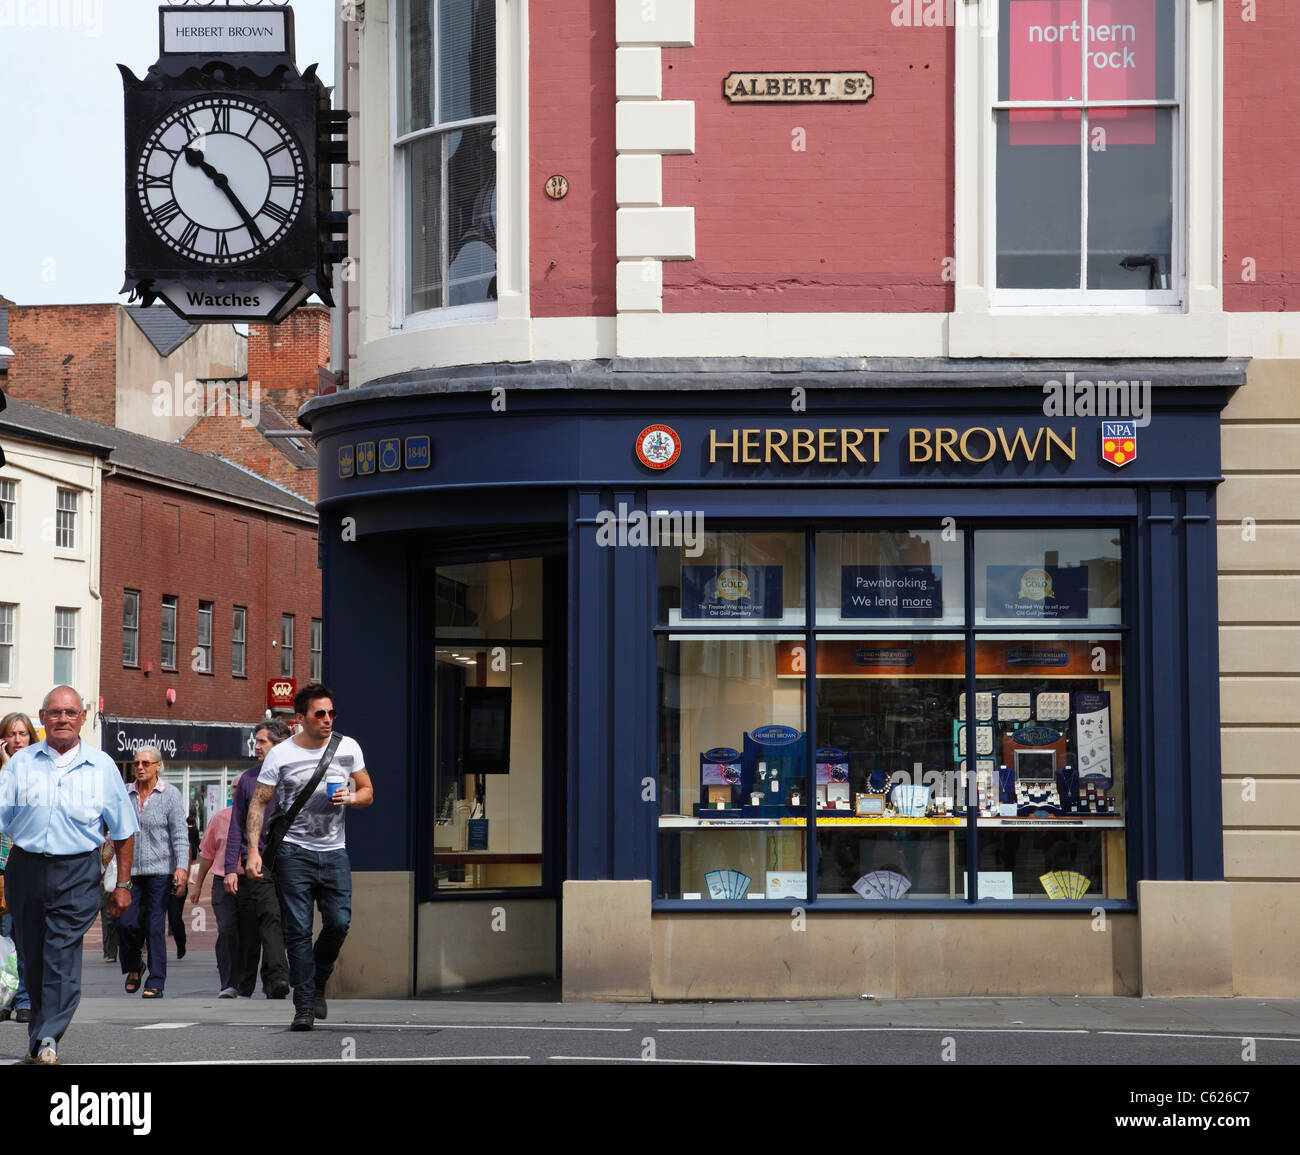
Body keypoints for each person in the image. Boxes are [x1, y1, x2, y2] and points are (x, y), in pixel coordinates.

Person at [0, 686, 136, 1064]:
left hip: (77, 870)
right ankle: (38, 1037)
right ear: (41, 719)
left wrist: (123, 884)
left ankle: (48, 1039)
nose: (63, 719)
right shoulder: (21, 764)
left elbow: (124, 832)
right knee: (32, 957)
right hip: (25, 869)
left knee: (60, 953)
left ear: (83, 716)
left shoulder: (103, 766)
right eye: (55, 713)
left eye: (70, 713)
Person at [246, 684, 372, 1031]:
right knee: (298, 931)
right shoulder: (280, 755)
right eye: (320, 714)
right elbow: (259, 802)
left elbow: (368, 791)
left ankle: (317, 979)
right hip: (293, 852)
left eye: (332, 713)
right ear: (300, 718)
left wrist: (351, 798)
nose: (328, 719)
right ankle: (303, 1006)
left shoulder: (348, 748)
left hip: (334, 852)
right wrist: (254, 851)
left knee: (339, 922)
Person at [224, 719, 291, 998]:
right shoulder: (248, 780)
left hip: (292, 857)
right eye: (257, 741)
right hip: (260, 860)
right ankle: (276, 979)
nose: (257, 747)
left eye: (262, 741)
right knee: (268, 917)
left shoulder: (292, 777)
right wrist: (231, 868)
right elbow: (236, 826)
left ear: (279, 745)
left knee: (290, 921)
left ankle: (281, 974)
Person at [116, 746, 188, 999]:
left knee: (154, 925)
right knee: (125, 922)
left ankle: (156, 981)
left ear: (158, 766)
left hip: (160, 871)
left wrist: (182, 867)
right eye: (136, 763)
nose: (140, 767)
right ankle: (134, 966)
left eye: (146, 763)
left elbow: (180, 834)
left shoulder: (170, 795)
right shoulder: (125, 793)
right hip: (130, 871)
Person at [0, 712, 37, 1024]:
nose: (17, 740)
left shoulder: (37, 773)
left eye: (23, 734)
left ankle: (23, 998)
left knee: (19, 938)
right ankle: (3, 997)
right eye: (11, 734)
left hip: (23, 867)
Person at [189, 804, 240, 997]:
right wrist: (198, 885)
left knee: (248, 934)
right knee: (226, 929)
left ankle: (244, 981)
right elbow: (208, 855)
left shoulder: (259, 815)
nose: (237, 790)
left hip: (251, 881)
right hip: (222, 880)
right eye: (234, 786)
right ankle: (228, 983)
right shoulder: (220, 817)